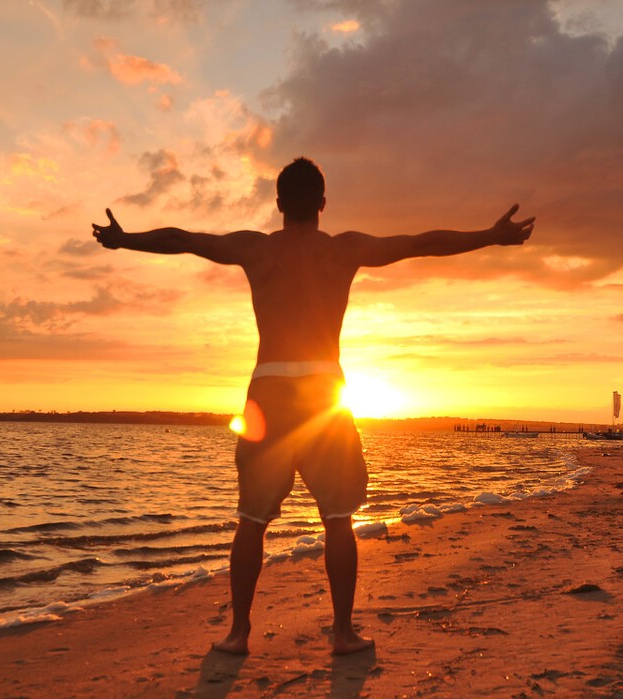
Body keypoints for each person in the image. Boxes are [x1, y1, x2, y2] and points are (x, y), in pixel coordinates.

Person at [93, 157, 534, 655]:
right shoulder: (344, 250)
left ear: (279, 204)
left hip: (271, 389)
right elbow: (420, 243)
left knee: (252, 519)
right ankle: (342, 633)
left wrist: (124, 239)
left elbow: (184, 238)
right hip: (325, 392)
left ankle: (238, 634)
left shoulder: (254, 248)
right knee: (338, 518)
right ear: (323, 204)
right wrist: (490, 235)